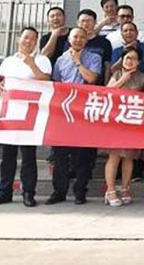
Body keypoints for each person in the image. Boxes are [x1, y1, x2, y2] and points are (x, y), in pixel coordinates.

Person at [0, 27, 51, 208]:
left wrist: (31, 63)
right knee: (8, 155)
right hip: (9, 112)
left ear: (36, 42)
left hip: (31, 113)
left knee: (28, 155)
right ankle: (4, 191)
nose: (28, 41)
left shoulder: (42, 60)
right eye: (26, 37)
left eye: (33, 39)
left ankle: (28, 192)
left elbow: (46, 80)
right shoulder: (9, 60)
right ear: (18, 39)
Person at [47, 27, 101, 205]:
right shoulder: (60, 60)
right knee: (60, 155)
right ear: (69, 40)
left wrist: (78, 62)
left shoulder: (94, 58)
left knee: (82, 155)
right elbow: (56, 84)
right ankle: (59, 192)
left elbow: (91, 79)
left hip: (84, 111)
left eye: (81, 37)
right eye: (75, 37)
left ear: (86, 40)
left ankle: (80, 191)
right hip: (64, 112)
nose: (78, 40)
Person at [103, 46, 144, 207]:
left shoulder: (142, 77)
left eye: (134, 58)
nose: (130, 61)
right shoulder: (117, 74)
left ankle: (125, 188)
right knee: (114, 156)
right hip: (116, 120)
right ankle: (110, 190)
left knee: (129, 156)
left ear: (139, 61)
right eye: (127, 58)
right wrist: (123, 79)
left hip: (133, 121)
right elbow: (107, 91)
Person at [72, 8, 112, 84]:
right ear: (77, 23)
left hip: (96, 85)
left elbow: (107, 65)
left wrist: (106, 84)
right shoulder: (72, 41)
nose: (85, 24)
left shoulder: (104, 42)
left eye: (89, 21)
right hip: (73, 83)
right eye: (83, 21)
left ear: (95, 22)